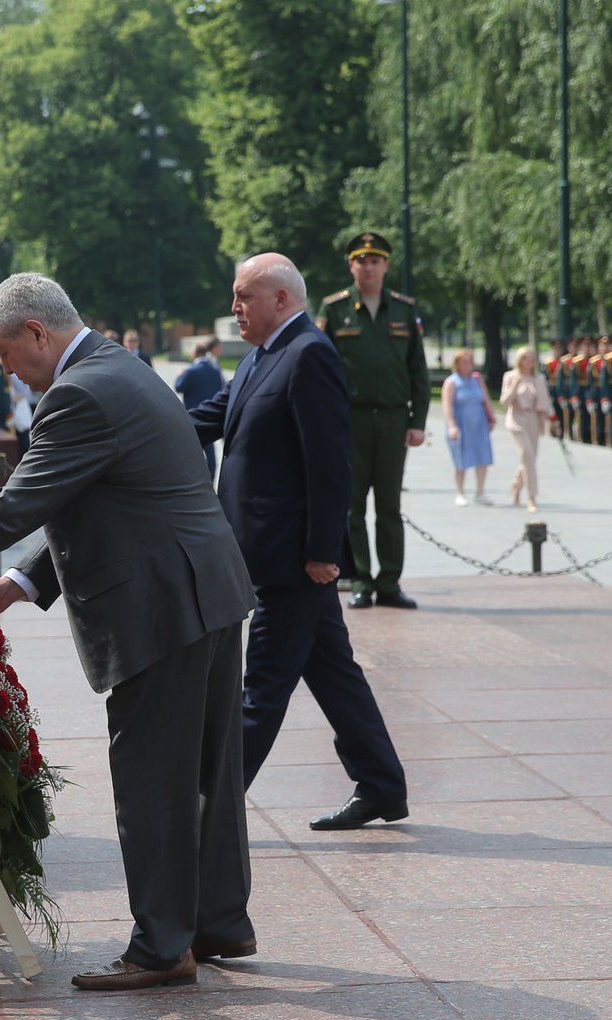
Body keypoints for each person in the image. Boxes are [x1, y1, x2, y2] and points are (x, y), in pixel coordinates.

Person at [0, 272, 255, 991]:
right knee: (207, 772)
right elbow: (101, 502)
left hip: (160, 606)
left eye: (4, 353)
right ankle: (216, 923)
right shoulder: (120, 369)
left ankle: (160, 948)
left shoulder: (77, 394)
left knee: (153, 780)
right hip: (202, 592)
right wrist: (19, 584)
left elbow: (20, 503)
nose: (4, 369)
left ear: (36, 334)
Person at [185, 253, 409, 830]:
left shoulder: (309, 354)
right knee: (333, 672)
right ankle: (382, 785)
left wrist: (322, 553)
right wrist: (141, 422)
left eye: (244, 297)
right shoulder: (264, 354)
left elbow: (331, 464)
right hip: (263, 549)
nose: (234, 307)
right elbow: (214, 416)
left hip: (292, 559)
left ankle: (207, 809)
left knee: (260, 687)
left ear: (281, 299)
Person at [319, 231, 428, 610]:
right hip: (351, 419)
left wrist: (418, 421)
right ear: (351, 265)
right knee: (352, 505)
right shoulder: (334, 309)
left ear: (386, 265)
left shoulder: (403, 309)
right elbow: (322, 368)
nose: (368, 266)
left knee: (389, 506)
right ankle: (361, 579)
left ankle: (390, 583)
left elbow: (419, 370)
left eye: (375, 260)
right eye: (361, 260)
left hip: (395, 420)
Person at [499, 346, 556, 510]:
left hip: (533, 420)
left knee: (529, 459)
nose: (529, 362)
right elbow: (504, 401)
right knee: (526, 454)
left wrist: (552, 421)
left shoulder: (538, 379)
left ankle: (516, 485)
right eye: (525, 358)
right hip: (517, 419)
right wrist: (515, 385)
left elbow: (545, 402)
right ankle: (532, 496)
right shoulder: (510, 376)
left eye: (532, 358)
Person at [442, 349, 496, 505]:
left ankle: (480, 492)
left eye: (469, 362)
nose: (467, 365)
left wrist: (491, 417)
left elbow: (485, 399)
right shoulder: (452, 382)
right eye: (463, 362)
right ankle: (460, 492)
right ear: (457, 364)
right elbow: (447, 405)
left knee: (482, 456)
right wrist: (452, 425)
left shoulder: (477, 379)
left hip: (479, 422)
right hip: (461, 422)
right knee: (460, 458)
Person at [174, 334, 224, 477]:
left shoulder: (190, 371)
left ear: (194, 353)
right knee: (210, 453)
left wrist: (179, 375)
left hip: (193, 415)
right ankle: (211, 479)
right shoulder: (215, 370)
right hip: (210, 414)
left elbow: (179, 387)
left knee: (190, 453)